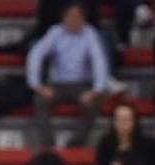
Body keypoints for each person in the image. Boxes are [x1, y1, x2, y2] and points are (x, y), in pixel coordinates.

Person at [26, 0, 108, 148]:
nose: (74, 20)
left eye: (77, 16)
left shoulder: (90, 33)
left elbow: (99, 61)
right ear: (63, 18)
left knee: (93, 105)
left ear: (84, 18)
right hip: (57, 84)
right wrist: (37, 84)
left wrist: (96, 90)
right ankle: (48, 144)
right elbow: (36, 54)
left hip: (81, 83)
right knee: (39, 101)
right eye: (70, 16)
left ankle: (76, 143)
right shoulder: (55, 32)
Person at [95, 101, 155, 165]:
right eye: (119, 119)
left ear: (134, 121)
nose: (123, 123)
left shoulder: (148, 144)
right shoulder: (106, 144)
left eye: (127, 119)